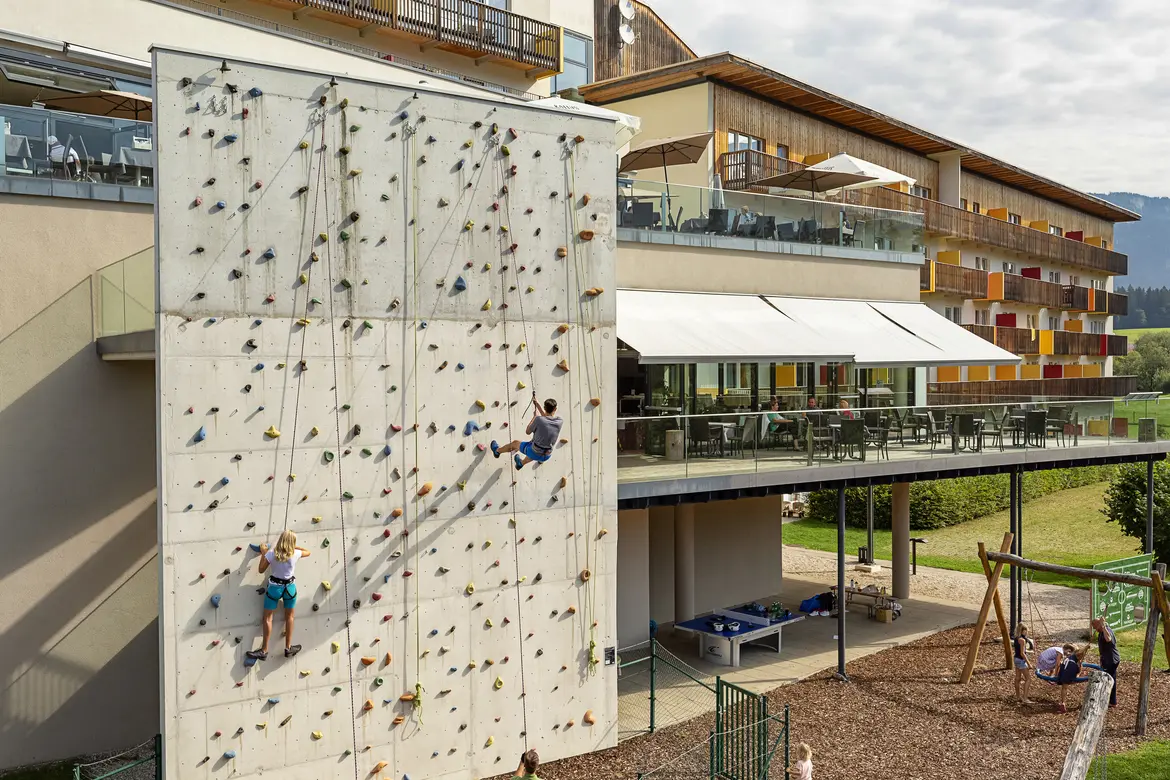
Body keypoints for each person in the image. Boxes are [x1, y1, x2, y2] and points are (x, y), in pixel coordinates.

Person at [246, 529, 311, 660]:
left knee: (268, 618)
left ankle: (264, 650)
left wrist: (264, 552)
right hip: (290, 588)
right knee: (290, 617)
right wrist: (293, 547)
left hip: (275, 588)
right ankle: (288, 648)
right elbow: (308, 552)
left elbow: (261, 570)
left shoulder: (272, 554)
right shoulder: (295, 553)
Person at [492, 393, 563, 470]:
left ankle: (497, 451)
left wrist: (535, 417)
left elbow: (528, 431)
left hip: (534, 452)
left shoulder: (539, 420)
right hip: (547, 455)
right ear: (555, 409)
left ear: (544, 408)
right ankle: (520, 463)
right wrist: (538, 405)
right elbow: (547, 419)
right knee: (535, 449)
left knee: (515, 443)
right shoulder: (559, 421)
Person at [1092, 616, 1121, 708]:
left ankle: (1112, 701)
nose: (1094, 628)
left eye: (1094, 626)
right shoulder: (1101, 632)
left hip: (1111, 660)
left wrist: (1103, 626)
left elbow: (1108, 639)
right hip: (1106, 659)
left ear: (1099, 625)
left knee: (1110, 680)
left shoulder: (1107, 630)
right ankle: (1110, 700)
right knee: (1110, 679)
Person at [1054, 643, 1086, 714]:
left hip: (1067, 670)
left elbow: (1079, 668)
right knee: (1064, 687)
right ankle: (1063, 703)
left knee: (1064, 687)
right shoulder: (1074, 658)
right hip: (1067, 670)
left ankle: (1063, 703)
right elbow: (1080, 652)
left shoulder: (1075, 659)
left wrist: (1077, 674)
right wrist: (1086, 647)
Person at [1012, 623, 1036, 705]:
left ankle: (1018, 697)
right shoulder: (1022, 640)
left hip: (1016, 659)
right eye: (1026, 631)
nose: (1027, 632)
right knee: (1028, 679)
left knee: (1018, 678)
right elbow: (1022, 653)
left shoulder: (1016, 638)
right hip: (1021, 660)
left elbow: (1019, 651)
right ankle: (1025, 698)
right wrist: (1029, 664)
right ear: (1023, 630)